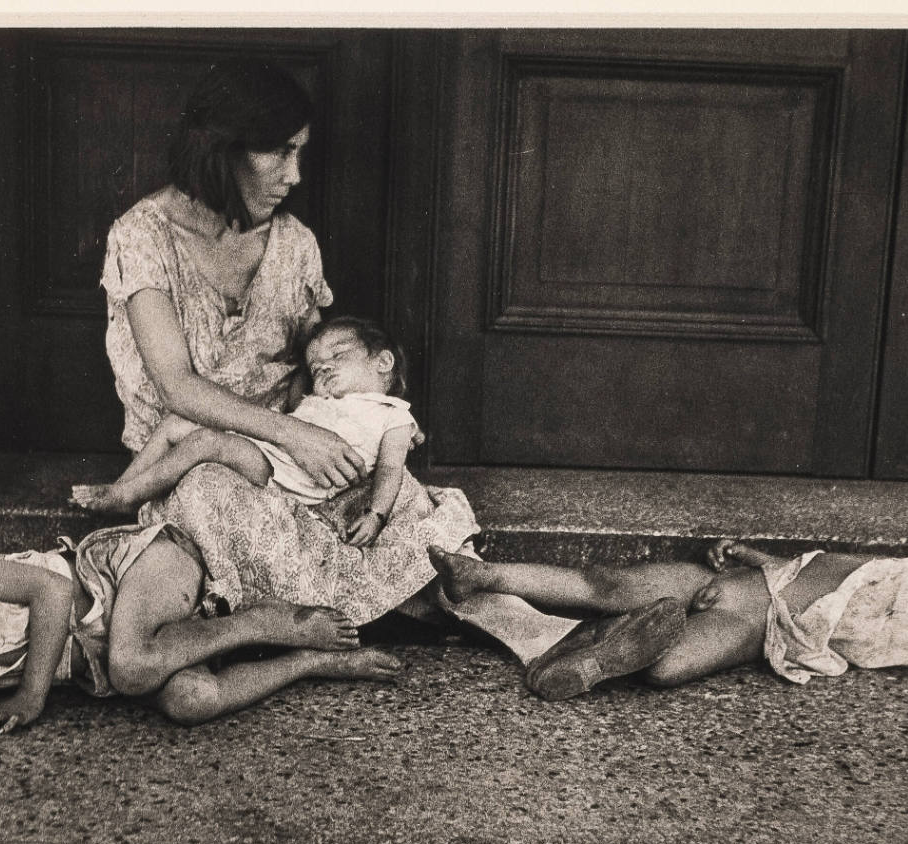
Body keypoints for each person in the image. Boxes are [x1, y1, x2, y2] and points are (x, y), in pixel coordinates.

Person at [95, 60, 609, 679]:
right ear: (223, 148)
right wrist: (291, 435)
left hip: (295, 456)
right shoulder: (143, 237)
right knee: (223, 499)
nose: (295, 175)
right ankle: (540, 635)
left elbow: (317, 368)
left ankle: (553, 640)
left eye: (300, 153)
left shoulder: (293, 244)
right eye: (281, 153)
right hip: (198, 462)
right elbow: (176, 386)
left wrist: (353, 426)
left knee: (399, 506)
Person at [427, 541, 908, 744]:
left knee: (672, 667)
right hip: (751, 587)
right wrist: (748, 556)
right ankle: (482, 574)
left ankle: (598, 657)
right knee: (602, 579)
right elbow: (817, 565)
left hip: (754, 628)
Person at [0, 524, 401, 737]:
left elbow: (50, 590)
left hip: (131, 570)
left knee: (136, 666)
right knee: (189, 701)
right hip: (123, 654)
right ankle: (306, 664)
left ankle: (260, 622)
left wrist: (28, 698)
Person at [73, 317, 417, 548]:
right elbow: (297, 396)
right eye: (316, 366)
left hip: (291, 478)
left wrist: (376, 514)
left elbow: (390, 469)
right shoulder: (318, 397)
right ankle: (124, 488)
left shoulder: (393, 415)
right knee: (177, 422)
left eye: (338, 354)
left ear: (383, 362)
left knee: (207, 442)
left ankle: (129, 496)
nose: (324, 366)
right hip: (274, 451)